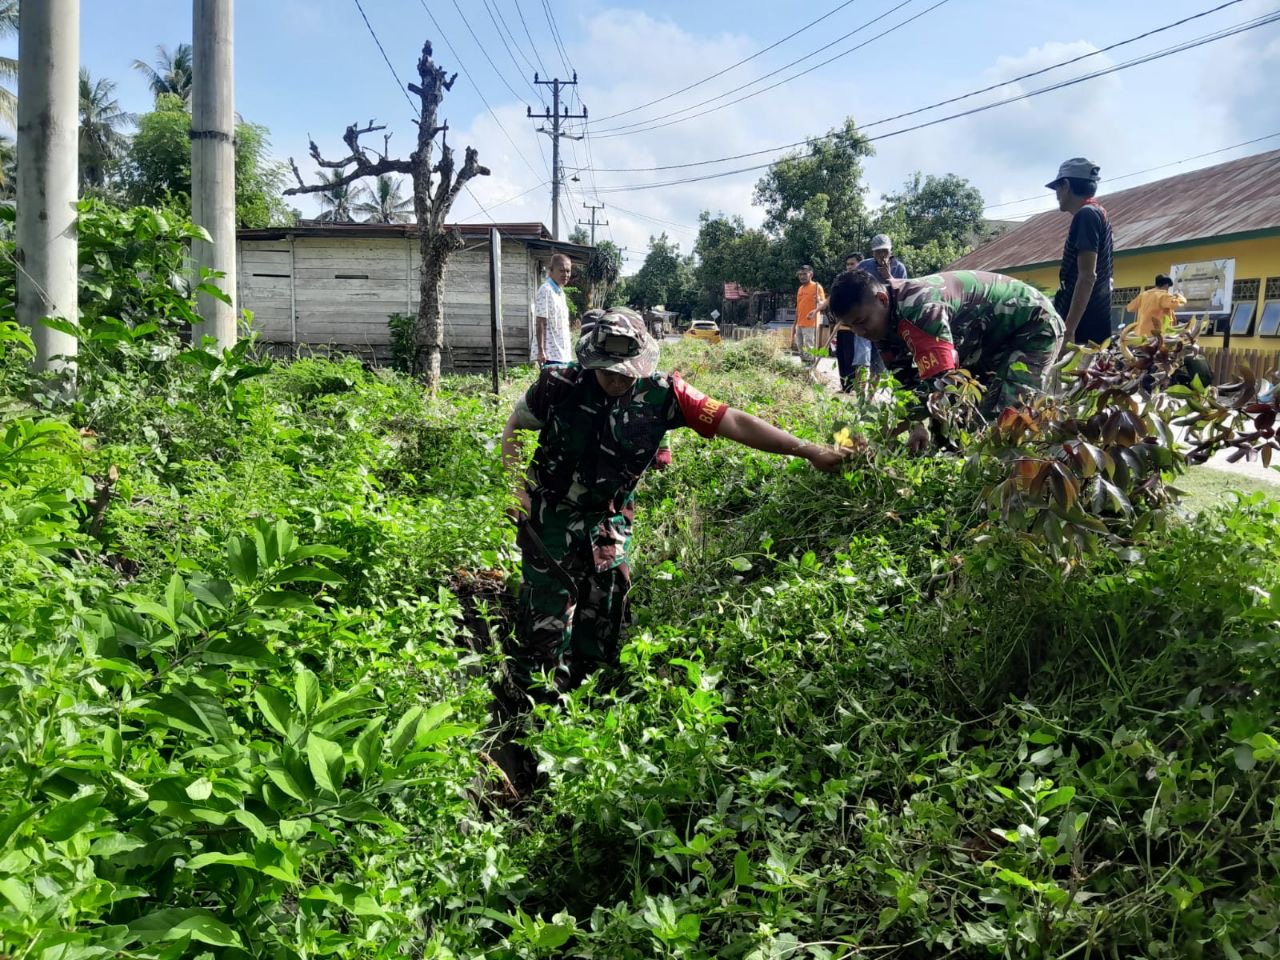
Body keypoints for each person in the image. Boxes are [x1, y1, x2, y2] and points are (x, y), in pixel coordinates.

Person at [500, 307, 851, 700]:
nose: (616, 380)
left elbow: (734, 421)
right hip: (551, 517)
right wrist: (516, 487)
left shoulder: (664, 395)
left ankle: (589, 703)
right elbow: (514, 427)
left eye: (625, 372)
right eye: (607, 371)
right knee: (546, 621)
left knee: (603, 621)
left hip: (608, 523)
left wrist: (808, 451)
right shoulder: (559, 383)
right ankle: (539, 712)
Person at [826, 269, 1064, 450]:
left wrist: (882, 437)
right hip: (988, 342)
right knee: (961, 426)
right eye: (851, 326)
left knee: (1003, 420)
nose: (860, 332)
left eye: (862, 322)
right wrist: (917, 427)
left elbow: (942, 385)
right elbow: (906, 383)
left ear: (882, 299)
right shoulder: (880, 325)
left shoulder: (920, 307)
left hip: (1032, 325)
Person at [1046, 158, 1114, 346]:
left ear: (1066, 185)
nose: (1057, 195)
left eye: (1057, 188)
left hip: (1082, 329)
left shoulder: (1086, 215)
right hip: (1093, 321)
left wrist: (1068, 330)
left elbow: (1087, 276)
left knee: (1065, 374)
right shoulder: (1098, 213)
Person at [533, 253, 573, 366]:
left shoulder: (561, 293)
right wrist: (541, 352)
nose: (565, 274)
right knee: (551, 383)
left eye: (568, 271)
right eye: (561, 270)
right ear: (551, 270)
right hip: (550, 355)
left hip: (563, 354)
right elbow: (539, 323)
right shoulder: (546, 290)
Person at [791, 264, 826, 363]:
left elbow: (823, 304)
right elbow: (798, 307)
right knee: (800, 348)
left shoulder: (816, 287)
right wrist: (795, 323)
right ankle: (803, 368)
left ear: (811, 274)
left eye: (804, 274)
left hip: (811, 323)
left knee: (809, 347)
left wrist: (819, 301)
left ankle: (810, 368)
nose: (802, 276)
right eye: (800, 274)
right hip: (800, 323)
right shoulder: (800, 289)